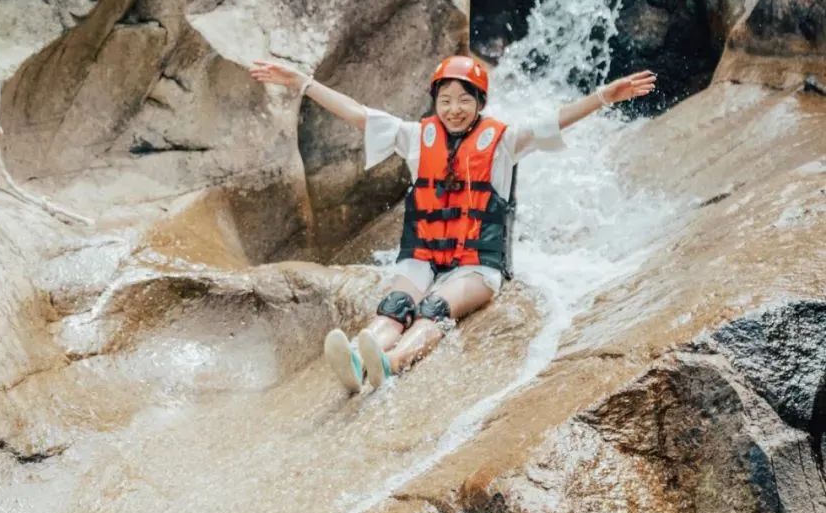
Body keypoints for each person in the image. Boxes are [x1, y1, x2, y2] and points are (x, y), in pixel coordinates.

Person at [249, 53, 656, 392]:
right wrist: (303, 83)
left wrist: (604, 96)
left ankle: (391, 363)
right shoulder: (416, 136)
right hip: (424, 257)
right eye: (445, 100)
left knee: (434, 307)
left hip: (478, 266)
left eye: (464, 100)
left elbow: (556, 120)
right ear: (435, 103)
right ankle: (359, 356)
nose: (454, 109)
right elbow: (358, 115)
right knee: (395, 306)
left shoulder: (504, 142)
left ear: (480, 102)